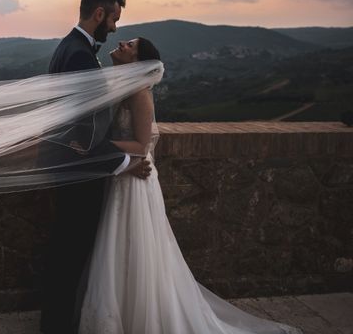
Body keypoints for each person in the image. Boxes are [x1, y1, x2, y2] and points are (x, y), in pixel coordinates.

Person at [78, 38, 302, 334]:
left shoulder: (139, 93)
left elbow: (141, 144)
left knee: (135, 248)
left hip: (135, 180)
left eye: (130, 45)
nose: (122, 42)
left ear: (139, 60)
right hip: (123, 175)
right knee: (117, 249)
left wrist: (97, 147)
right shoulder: (124, 88)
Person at [39, 0, 151, 334]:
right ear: (99, 14)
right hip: (79, 176)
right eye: (114, 19)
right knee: (70, 256)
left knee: (65, 255)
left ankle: (56, 323)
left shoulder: (69, 47)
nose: (116, 30)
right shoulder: (80, 56)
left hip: (70, 171)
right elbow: (82, 136)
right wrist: (124, 163)